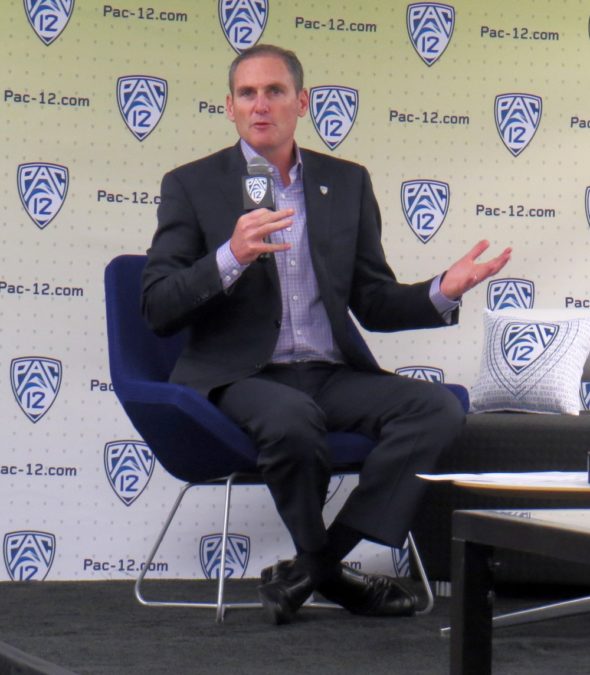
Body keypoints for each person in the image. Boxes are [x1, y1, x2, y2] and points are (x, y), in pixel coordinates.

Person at [141, 44, 511, 625]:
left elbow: (373, 300)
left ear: (302, 102)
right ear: (230, 108)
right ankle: (332, 575)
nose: (261, 105)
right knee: (291, 418)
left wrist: (443, 287)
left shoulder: (346, 182)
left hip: (328, 372)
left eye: (275, 91)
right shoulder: (192, 185)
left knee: (436, 408)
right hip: (240, 375)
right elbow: (158, 306)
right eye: (247, 94)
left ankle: (313, 568)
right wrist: (230, 256)